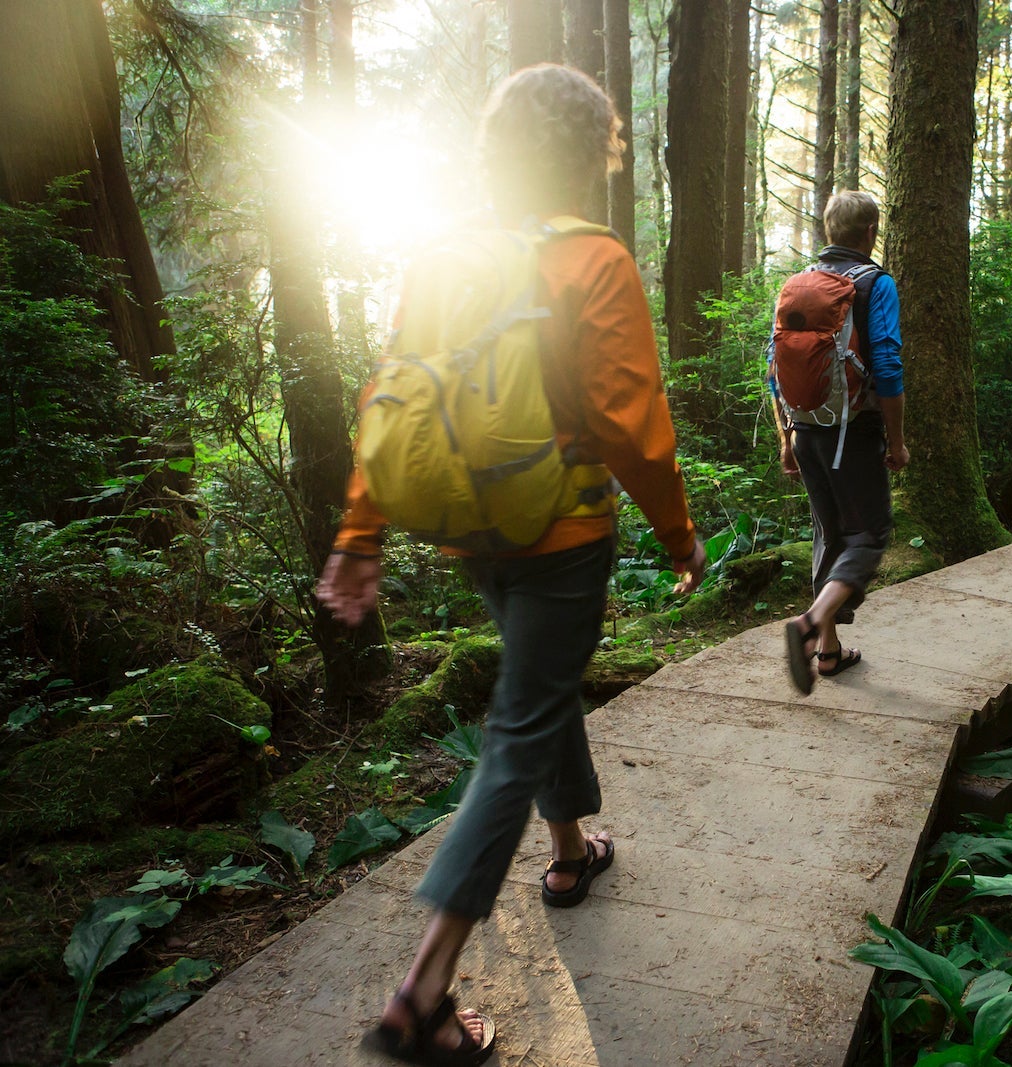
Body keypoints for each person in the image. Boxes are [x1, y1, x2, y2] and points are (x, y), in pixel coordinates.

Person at [315, 65, 706, 1066]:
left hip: (470, 530)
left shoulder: (444, 258)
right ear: (592, 151)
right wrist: (676, 530)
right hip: (563, 530)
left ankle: (570, 855)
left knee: (541, 685)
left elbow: (393, 397)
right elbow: (631, 422)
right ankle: (423, 989)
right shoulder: (593, 259)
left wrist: (362, 533)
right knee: (519, 726)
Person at [775, 191, 910, 694]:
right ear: (871, 232)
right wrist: (897, 442)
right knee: (868, 535)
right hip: (853, 432)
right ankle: (810, 626)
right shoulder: (875, 284)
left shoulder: (797, 286)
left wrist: (787, 437)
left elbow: (775, 367)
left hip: (807, 430)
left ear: (829, 231)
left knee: (828, 534)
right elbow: (889, 365)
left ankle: (829, 654)